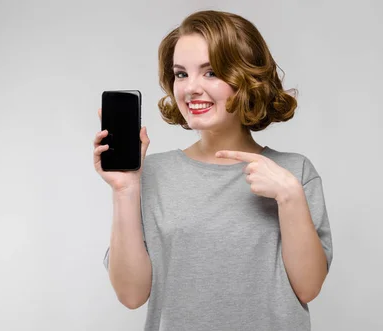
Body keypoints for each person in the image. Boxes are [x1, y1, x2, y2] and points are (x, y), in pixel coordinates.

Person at [93, 10, 333, 331]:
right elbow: (131, 294)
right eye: (181, 74)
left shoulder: (293, 172)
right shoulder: (150, 175)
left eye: (210, 73)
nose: (191, 88)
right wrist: (124, 190)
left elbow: (308, 287)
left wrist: (289, 197)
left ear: (247, 77)